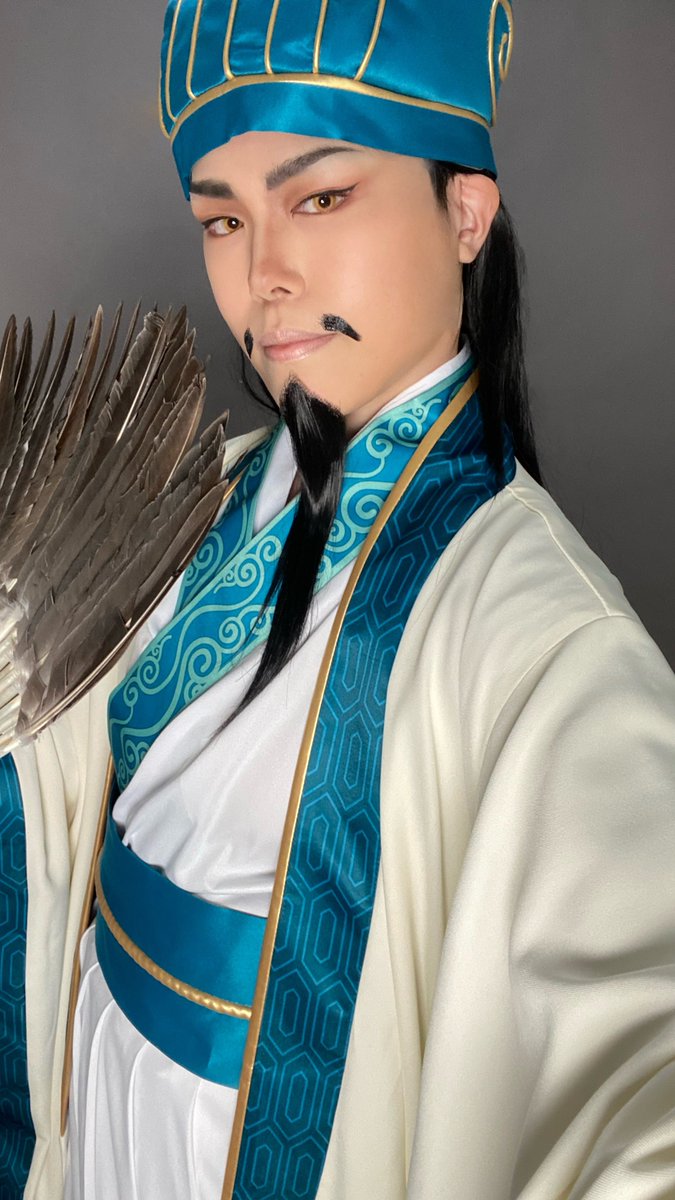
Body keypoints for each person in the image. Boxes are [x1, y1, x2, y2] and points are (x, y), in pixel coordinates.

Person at [3, 2, 675, 1198]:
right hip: (101, 1121)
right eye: (223, 218)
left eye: (320, 198)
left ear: (465, 212)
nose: (264, 275)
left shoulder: (551, 646)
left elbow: (632, 1095)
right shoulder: (190, 501)